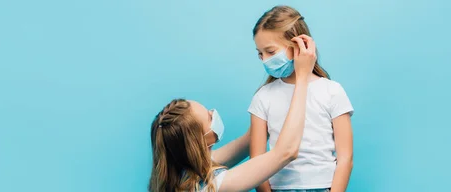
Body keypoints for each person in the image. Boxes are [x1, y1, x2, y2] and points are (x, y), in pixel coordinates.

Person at [148, 34, 317, 191]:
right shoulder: (215, 185)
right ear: (200, 140)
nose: (213, 114)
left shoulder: (183, 171)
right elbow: (286, 152)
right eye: (209, 116)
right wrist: (302, 77)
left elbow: (249, 140)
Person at [249, 5, 354, 192]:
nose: (265, 59)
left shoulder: (332, 91)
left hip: (324, 187)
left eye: (271, 52)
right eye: (260, 54)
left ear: (299, 44)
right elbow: (256, 161)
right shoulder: (263, 97)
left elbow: (345, 158)